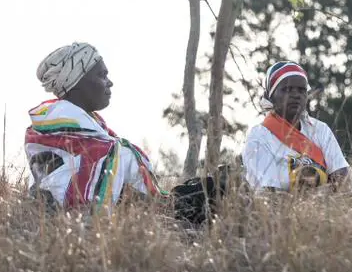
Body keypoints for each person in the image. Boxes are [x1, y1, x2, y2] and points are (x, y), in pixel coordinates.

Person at [25, 42, 227, 222]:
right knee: (217, 191)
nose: (109, 82)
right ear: (76, 82)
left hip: (146, 212)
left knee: (220, 183)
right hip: (134, 220)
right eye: (101, 75)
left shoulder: (77, 130)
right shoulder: (71, 137)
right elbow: (85, 203)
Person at [241, 61, 350, 193]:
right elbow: (269, 195)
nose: (296, 95)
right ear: (271, 96)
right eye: (287, 89)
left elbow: (343, 179)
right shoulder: (259, 137)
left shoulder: (320, 130)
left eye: (301, 90)